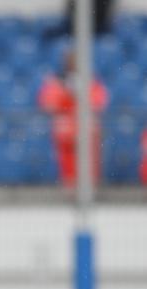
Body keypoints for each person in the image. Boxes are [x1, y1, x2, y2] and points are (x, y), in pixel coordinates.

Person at [38, 50, 109, 188]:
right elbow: (48, 105)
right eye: (70, 60)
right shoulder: (56, 82)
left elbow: (99, 103)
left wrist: (79, 93)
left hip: (88, 134)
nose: (73, 64)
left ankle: (90, 195)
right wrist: (66, 92)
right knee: (68, 173)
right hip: (65, 135)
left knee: (89, 170)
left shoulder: (92, 81)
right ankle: (69, 195)